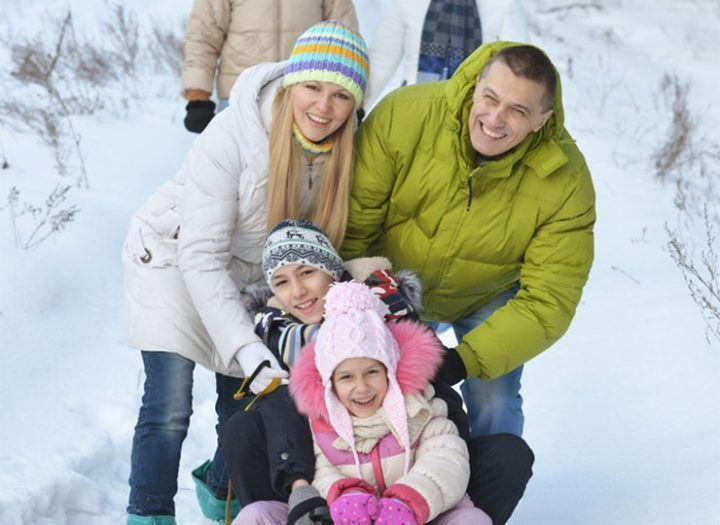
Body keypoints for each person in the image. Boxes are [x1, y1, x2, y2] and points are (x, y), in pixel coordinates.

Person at [121, 21, 369, 525]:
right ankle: (149, 514)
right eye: (313, 88)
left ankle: (223, 505)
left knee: (243, 409)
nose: (324, 107)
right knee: (170, 406)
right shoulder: (235, 133)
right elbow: (201, 254)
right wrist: (248, 347)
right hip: (176, 256)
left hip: (255, 277)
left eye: (341, 96)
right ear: (293, 82)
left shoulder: (341, 150)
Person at [341, 42, 596, 440]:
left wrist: (463, 362)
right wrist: (377, 299)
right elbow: (355, 224)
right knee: (363, 380)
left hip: (486, 295)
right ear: (476, 85)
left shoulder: (566, 180)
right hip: (391, 280)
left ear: (542, 120)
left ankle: (487, 497)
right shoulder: (405, 114)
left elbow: (550, 301)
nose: (495, 119)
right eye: (490, 98)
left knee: (495, 400)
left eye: (518, 110)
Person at [224, 220, 533, 525]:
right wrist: (305, 492)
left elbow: (445, 416)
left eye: (307, 272)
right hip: (328, 482)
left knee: (507, 455)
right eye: (281, 282)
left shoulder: (391, 319)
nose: (298, 291)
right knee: (243, 430)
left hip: (412, 467)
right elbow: (286, 433)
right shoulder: (277, 337)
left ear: (331, 272)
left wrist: (414, 487)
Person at [239, 281, 493, 524]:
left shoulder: (421, 409)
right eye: (346, 377)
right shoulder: (322, 422)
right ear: (331, 384)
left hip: (415, 516)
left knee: (472, 519)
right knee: (258, 515)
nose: (361, 387)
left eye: (372, 372)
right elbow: (321, 472)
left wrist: (408, 501)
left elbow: (447, 460)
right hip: (345, 518)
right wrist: (345, 494)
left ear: (389, 371)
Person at [181, 0, 358, 132]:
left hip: (303, 101)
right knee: (232, 176)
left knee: (300, 178)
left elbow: (346, 39)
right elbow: (203, 36)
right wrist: (198, 95)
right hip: (239, 100)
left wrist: (355, 100)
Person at [365, 0, 529, 107]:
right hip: (412, 107)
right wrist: (358, 109)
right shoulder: (408, 3)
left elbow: (520, 71)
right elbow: (381, 60)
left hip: (471, 117)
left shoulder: (504, 4)